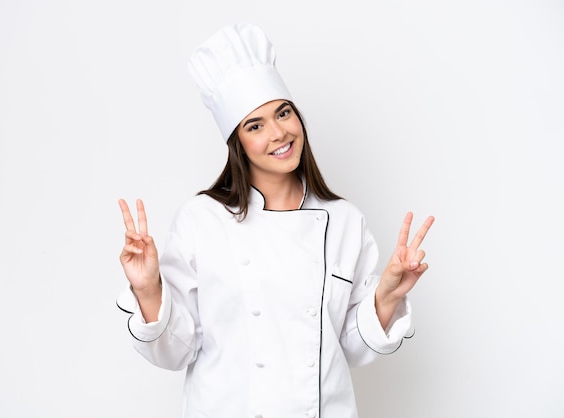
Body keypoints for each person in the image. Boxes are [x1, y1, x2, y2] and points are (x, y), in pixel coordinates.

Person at [116, 22, 435, 418]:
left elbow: (349, 349)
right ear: (238, 143)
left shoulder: (344, 222)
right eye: (256, 125)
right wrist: (149, 290)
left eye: (283, 113)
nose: (279, 133)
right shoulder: (202, 220)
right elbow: (177, 350)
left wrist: (386, 296)